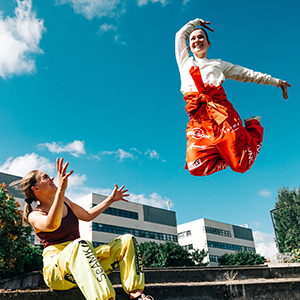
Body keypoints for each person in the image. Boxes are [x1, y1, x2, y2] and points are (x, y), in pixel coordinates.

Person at [21, 158, 154, 300]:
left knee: (128, 240)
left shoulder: (65, 201)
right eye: (45, 177)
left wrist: (111, 199)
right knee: (79, 245)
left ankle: (136, 295)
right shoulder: (35, 215)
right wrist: (61, 189)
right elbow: (52, 224)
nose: (52, 177)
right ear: (36, 189)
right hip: (58, 272)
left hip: (84, 261)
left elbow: (88, 215)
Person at [175, 18, 291, 176]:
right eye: (193, 38)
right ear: (189, 46)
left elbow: (247, 74)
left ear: (208, 44)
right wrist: (195, 23)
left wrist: (276, 82)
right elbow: (179, 35)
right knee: (195, 166)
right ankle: (227, 154)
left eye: (201, 37)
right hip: (198, 119)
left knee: (241, 165)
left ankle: (254, 127)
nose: (197, 40)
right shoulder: (185, 63)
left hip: (222, 115)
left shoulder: (218, 65)